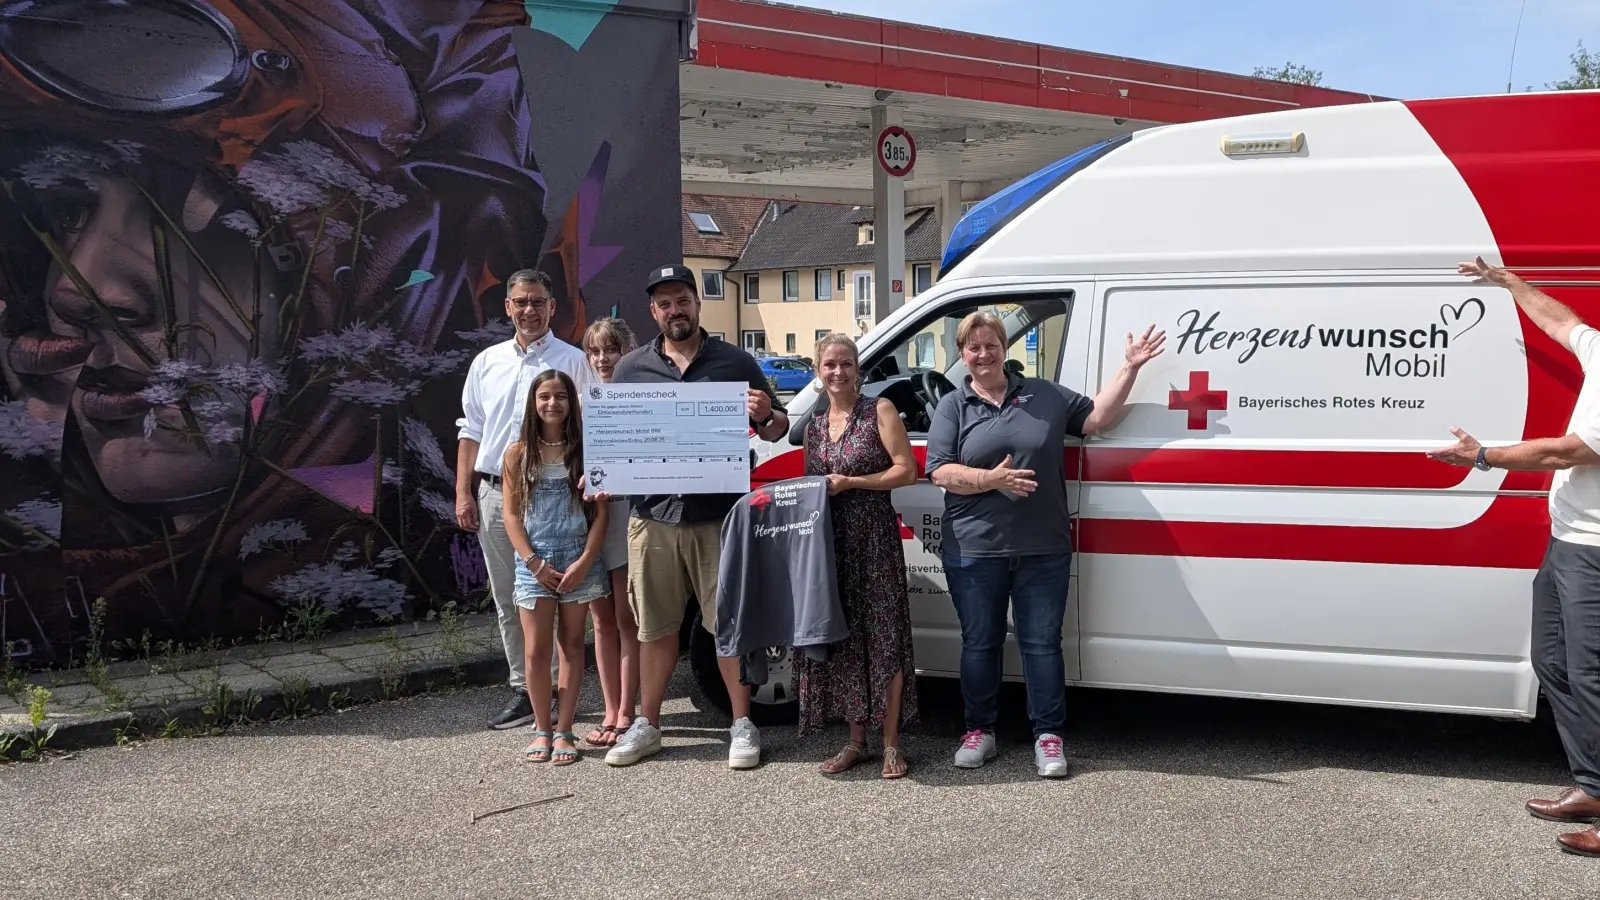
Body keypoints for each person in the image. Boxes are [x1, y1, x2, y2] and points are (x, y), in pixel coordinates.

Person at [926, 309, 1164, 778]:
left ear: (1005, 348)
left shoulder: (1044, 394)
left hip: (1042, 547)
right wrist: (990, 480)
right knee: (980, 642)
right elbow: (939, 471)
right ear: (962, 354)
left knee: (1041, 644)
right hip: (974, 548)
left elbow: (1096, 418)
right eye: (974, 347)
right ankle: (979, 731)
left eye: (992, 345)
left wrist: (1130, 366)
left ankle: (1048, 736)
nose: (984, 354)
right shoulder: (954, 406)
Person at [1427, 257, 1600, 857]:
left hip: (1597, 549)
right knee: (1553, 662)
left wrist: (1484, 456)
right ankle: (1593, 786)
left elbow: (1566, 453)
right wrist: (1507, 281)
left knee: (1592, 674)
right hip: (1568, 538)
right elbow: (1563, 323)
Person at [601, 264, 790, 769]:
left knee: (727, 625)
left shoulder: (736, 361)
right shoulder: (631, 369)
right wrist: (601, 473)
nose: (674, 310)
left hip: (718, 517)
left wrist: (764, 414)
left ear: (696, 303)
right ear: (653, 311)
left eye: (682, 300)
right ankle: (648, 725)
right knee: (654, 628)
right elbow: (617, 439)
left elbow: (777, 429)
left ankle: (742, 724)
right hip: (653, 517)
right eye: (664, 303)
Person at [456, 268, 600, 730]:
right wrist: (463, 493)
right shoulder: (487, 362)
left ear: (552, 307)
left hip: (562, 498)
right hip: (498, 496)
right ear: (508, 307)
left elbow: (593, 427)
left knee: (564, 599)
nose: (529, 310)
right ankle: (524, 689)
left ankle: (558, 693)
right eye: (521, 302)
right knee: (511, 597)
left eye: (538, 301)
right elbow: (470, 431)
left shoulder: (574, 361)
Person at [799, 333, 921, 779]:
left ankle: (891, 745)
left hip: (874, 539)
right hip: (832, 544)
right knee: (847, 639)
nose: (838, 372)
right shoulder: (814, 428)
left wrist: (853, 483)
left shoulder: (879, 410)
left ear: (858, 369)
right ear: (818, 371)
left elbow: (906, 470)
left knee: (885, 637)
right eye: (829, 364)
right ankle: (856, 741)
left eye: (846, 363)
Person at [501, 369, 609, 764]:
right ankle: (541, 727)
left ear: (571, 402)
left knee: (572, 645)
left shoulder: (587, 450)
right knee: (535, 650)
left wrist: (584, 562)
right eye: (544, 396)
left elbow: (601, 515)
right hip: (534, 561)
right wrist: (533, 563)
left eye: (560, 396)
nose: (552, 403)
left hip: (578, 558)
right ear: (533, 402)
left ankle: (564, 730)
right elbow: (511, 516)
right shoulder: (517, 454)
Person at [579, 317, 642, 747]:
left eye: (611, 350)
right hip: (590, 525)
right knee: (600, 622)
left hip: (628, 521)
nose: (603, 359)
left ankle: (627, 712)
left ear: (627, 352)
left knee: (626, 619)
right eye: (595, 351)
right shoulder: (579, 403)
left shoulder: (642, 400)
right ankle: (609, 707)